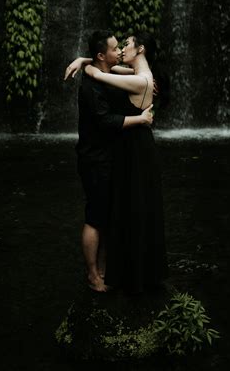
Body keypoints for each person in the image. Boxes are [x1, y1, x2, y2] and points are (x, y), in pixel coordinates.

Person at [67, 31, 168, 294]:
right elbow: (103, 74)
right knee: (105, 214)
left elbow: (100, 73)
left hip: (132, 152)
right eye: (116, 47)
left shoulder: (140, 79)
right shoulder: (133, 73)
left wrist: (86, 64)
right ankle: (97, 273)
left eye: (125, 45)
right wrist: (82, 59)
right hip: (107, 154)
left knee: (130, 210)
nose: (121, 50)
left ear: (141, 49)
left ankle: (120, 271)